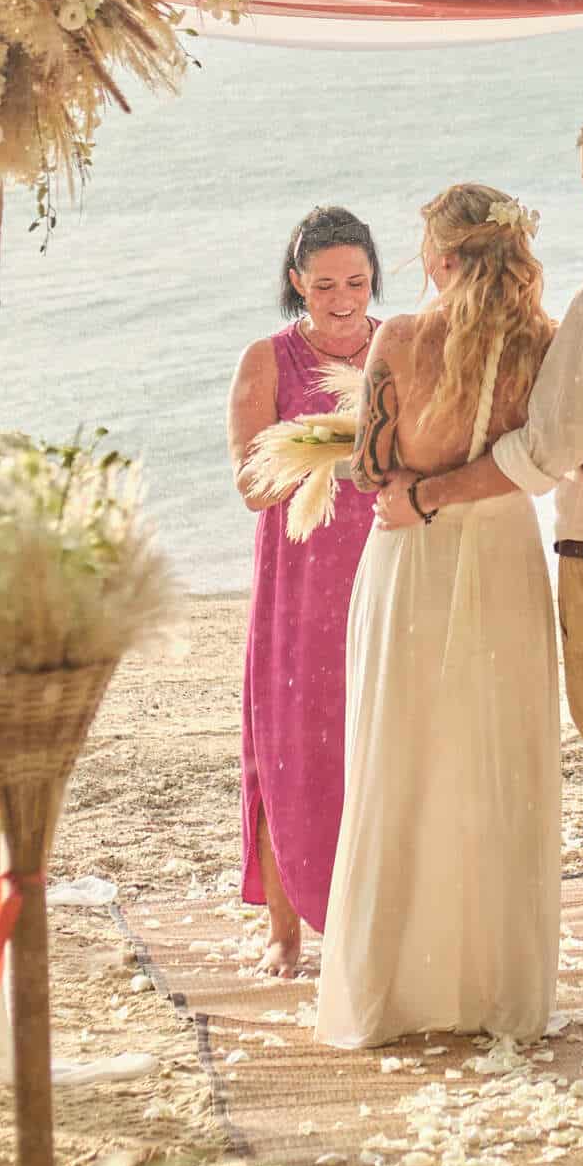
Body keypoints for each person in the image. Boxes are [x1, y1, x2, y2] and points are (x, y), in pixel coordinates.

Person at [318, 181, 583, 1048]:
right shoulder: (548, 345)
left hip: (414, 558)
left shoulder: (398, 339)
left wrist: (403, 475)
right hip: (508, 556)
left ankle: (397, 984)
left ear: (437, 256)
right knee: (498, 760)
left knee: (403, 754)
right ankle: (497, 986)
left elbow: (370, 469)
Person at [227, 205, 384, 978]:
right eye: (324, 284)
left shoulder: (402, 346)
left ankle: (380, 912)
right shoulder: (267, 359)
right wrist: (329, 442)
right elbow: (252, 486)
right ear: (297, 284)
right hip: (297, 580)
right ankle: (285, 932)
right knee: (286, 743)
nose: (343, 297)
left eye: (355, 280)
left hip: (387, 568)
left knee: (380, 741)